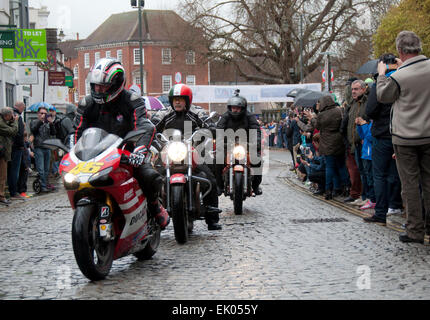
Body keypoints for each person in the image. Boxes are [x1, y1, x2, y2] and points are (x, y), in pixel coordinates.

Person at [74, 58, 170, 230]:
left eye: (103, 86)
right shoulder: (87, 104)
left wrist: (139, 151)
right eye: (96, 85)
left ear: (115, 84)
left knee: (149, 176)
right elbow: (77, 131)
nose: (98, 89)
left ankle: (155, 207)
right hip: (96, 155)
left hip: (127, 153)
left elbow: (144, 125)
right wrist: (73, 155)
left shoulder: (131, 100)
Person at [376, 31, 430, 243]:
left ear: (400, 51)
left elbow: (383, 96)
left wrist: (382, 73)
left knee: (410, 185)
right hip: (428, 134)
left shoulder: (399, 76)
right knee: (428, 182)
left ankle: (415, 230)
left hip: (406, 137)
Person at [152, 83, 222, 230]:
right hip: (169, 153)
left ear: (188, 100)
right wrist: (150, 134)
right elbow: (151, 126)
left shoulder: (197, 111)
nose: (177, 102)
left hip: (192, 152)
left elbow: (210, 125)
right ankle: (152, 216)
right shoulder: (164, 113)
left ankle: (212, 217)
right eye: (175, 99)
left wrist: (211, 129)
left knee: (209, 178)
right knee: (151, 179)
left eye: (181, 99)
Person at [365, 53, 403, 225]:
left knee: (379, 174)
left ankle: (380, 212)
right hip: (401, 133)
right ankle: (395, 205)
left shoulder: (379, 83)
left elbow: (370, 110)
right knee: (396, 174)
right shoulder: (404, 79)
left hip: (382, 134)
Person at [216, 90, 263, 196]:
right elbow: (219, 130)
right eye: (233, 107)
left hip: (246, 145)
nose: (235, 110)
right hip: (228, 145)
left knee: (257, 160)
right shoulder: (225, 117)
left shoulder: (249, 117)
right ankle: (219, 185)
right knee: (217, 159)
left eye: (238, 108)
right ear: (230, 107)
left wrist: (257, 143)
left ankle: (255, 186)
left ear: (242, 108)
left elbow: (256, 130)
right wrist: (220, 144)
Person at [305, 95, 350, 200]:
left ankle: (328, 190)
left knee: (330, 168)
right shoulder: (339, 111)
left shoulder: (322, 115)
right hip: (339, 142)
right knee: (341, 166)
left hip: (327, 143)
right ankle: (346, 187)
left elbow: (317, 126)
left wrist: (312, 118)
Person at [341, 80, 368, 205]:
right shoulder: (353, 105)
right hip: (353, 143)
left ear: (363, 89)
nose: (353, 91)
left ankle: (366, 196)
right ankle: (361, 195)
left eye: (356, 89)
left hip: (363, 142)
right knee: (358, 171)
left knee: (364, 172)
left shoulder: (366, 103)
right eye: (352, 89)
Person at [30, 106, 56, 193]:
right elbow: (33, 130)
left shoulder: (48, 123)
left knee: (46, 169)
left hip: (47, 147)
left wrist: (51, 123)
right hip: (39, 148)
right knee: (41, 169)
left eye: (45, 113)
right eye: (41, 113)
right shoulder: (34, 122)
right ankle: (43, 186)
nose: (43, 115)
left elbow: (53, 133)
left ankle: (45, 184)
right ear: (38, 114)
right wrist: (41, 121)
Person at [355, 117, 376, 210]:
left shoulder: (372, 123)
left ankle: (373, 200)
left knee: (371, 178)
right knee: (368, 177)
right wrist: (359, 125)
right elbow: (362, 136)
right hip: (365, 154)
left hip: (370, 155)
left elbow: (369, 137)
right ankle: (370, 199)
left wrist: (363, 125)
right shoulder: (369, 123)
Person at [7, 101, 26, 200]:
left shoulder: (9, 115)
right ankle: (13, 192)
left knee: (10, 169)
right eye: (23, 108)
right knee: (15, 170)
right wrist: (21, 145)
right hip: (16, 147)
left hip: (9, 147)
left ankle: (11, 190)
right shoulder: (17, 117)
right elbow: (19, 133)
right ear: (20, 108)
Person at [0, 107, 18, 205]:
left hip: (3, 151)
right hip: (1, 153)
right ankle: (1, 196)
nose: (12, 117)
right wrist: (15, 121)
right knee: (2, 175)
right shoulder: (1, 123)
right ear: (6, 115)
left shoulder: (3, 121)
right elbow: (13, 131)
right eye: (10, 116)